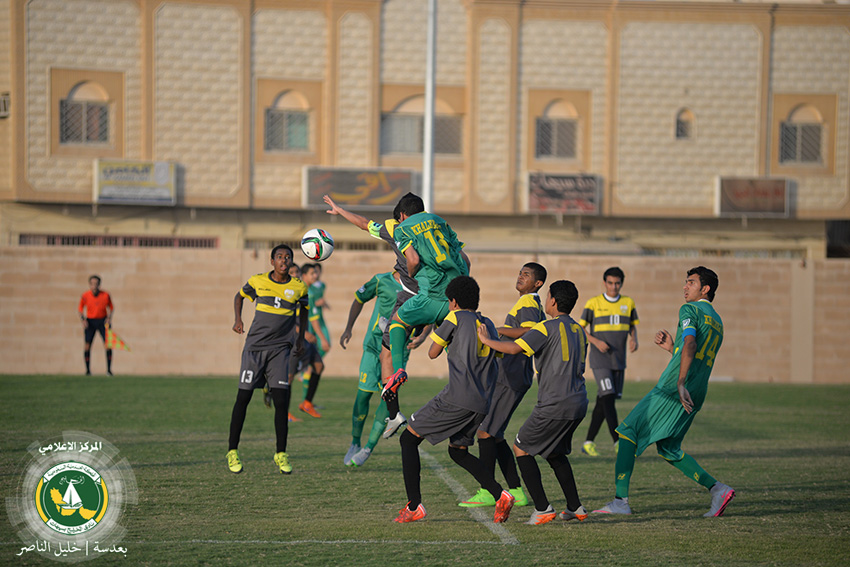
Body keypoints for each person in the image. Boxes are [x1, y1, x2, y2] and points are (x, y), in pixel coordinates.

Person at [593, 266, 735, 517]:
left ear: (705, 289)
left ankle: (620, 501)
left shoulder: (689, 309)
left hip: (673, 388)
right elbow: (693, 353)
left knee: (628, 432)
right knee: (669, 448)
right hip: (698, 390)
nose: (685, 286)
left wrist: (679, 383)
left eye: (691, 283)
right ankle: (717, 489)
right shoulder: (718, 322)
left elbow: (691, 343)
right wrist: (673, 348)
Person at [394, 276, 515, 523]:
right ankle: (499, 493)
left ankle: (414, 505)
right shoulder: (488, 323)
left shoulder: (455, 317)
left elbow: (432, 352)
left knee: (408, 439)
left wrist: (441, 335)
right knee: (458, 452)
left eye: (449, 302)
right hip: (482, 402)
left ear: (454, 301)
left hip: (458, 396)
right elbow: (497, 355)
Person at [478, 280, 589, 525]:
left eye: (548, 295)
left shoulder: (545, 327)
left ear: (553, 301)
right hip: (579, 401)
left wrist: (487, 341)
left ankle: (542, 508)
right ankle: (575, 507)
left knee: (521, 447)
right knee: (554, 452)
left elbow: (515, 349)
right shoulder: (579, 330)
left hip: (555, 402)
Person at [323, 192, 427, 436]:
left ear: (401, 216)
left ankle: (394, 412)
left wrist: (339, 210)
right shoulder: (434, 230)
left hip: (411, 298)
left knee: (386, 355)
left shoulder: (398, 230)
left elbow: (363, 223)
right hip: (439, 297)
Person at [459, 262, 547, 509]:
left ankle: (489, 491)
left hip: (512, 375)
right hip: (513, 375)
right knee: (494, 434)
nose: (521, 277)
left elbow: (530, 331)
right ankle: (517, 491)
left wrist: (497, 331)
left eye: (527, 275)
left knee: (485, 432)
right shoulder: (528, 302)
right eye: (520, 273)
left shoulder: (529, 302)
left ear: (537, 283)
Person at [381, 201, 470, 428]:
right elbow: (465, 259)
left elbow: (413, 260)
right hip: (456, 299)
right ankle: (468, 386)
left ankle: (399, 371)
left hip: (431, 294)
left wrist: (412, 273)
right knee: (455, 347)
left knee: (399, 321)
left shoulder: (403, 228)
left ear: (401, 215)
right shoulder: (440, 222)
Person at [226, 244, 309, 475]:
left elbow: (304, 311)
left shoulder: (299, 287)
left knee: (281, 402)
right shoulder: (257, 281)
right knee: (243, 398)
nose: (284, 260)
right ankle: (232, 450)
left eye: (288, 257)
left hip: (280, 351)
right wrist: (238, 320)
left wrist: (300, 338)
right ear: (272, 261)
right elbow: (239, 296)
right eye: (280, 257)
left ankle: (281, 453)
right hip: (254, 349)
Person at [340, 270, 423, 467]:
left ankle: (368, 448)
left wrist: (423, 336)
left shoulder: (421, 286)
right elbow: (359, 298)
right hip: (373, 347)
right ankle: (355, 442)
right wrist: (348, 328)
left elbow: (429, 311)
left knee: (387, 399)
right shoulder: (381, 280)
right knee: (363, 396)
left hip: (398, 352)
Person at [579, 267, 639, 457]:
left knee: (604, 400)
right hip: (600, 360)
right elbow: (581, 329)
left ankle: (588, 442)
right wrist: (595, 341)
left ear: (622, 283)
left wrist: (633, 338)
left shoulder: (628, 303)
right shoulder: (593, 303)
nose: (614, 287)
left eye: (617, 283)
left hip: (619, 360)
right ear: (605, 283)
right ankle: (617, 441)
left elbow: (632, 325)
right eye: (610, 283)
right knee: (608, 396)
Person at [297, 263, 328, 417]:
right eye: (312, 273)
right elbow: (288, 317)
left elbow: (314, 317)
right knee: (286, 377)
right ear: (304, 275)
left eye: (316, 273)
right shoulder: (298, 290)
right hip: (296, 337)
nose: (315, 276)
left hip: (307, 335)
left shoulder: (313, 291)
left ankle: (307, 402)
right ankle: (283, 412)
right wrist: (302, 333)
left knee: (318, 365)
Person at [78, 275, 114, 376]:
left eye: (96, 284)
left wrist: (109, 318)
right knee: (87, 345)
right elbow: (80, 309)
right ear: (90, 285)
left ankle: (109, 370)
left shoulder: (106, 295)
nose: (94, 286)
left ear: (99, 285)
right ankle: (88, 370)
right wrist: (83, 320)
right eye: (92, 284)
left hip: (103, 321)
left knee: (108, 345)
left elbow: (111, 307)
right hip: (90, 321)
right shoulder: (85, 296)